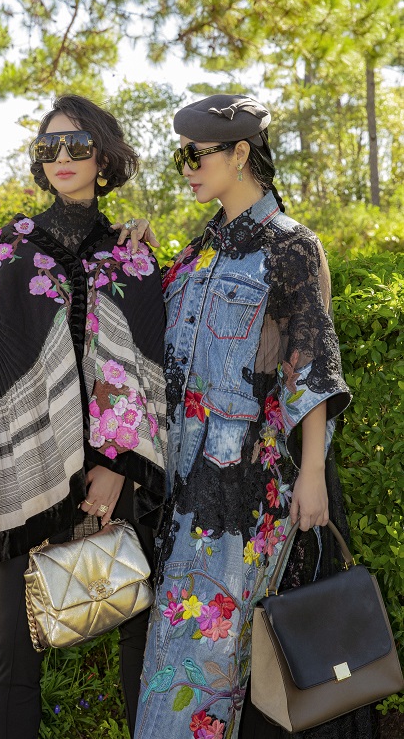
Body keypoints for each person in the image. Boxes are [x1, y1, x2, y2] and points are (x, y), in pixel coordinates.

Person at [134, 95, 373, 739]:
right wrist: (139, 256)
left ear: (241, 153)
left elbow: (311, 368)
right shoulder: (197, 253)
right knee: (183, 661)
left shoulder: (290, 247)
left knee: (215, 664)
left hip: (249, 496)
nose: (187, 169)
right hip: (185, 493)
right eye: (181, 157)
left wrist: (313, 475)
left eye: (197, 155)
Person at [0, 94, 167, 739]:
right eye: (49, 147)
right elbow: (4, 365)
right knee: (17, 649)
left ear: (104, 156)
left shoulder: (133, 254)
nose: (62, 158)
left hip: (115, 472)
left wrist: (115, 467)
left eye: (78, 144)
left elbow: (146, 368)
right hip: (32, 464)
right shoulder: (12, 247)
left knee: (137, 632)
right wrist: (50, 465)